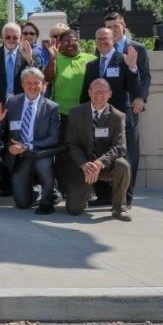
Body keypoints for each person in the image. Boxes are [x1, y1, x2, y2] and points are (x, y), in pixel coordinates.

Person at [81, 27, 140, 206]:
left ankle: (125, 199)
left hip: (119, 119)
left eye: (106, 38)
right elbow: (85, 94)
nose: (102, 42)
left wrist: (132, 67)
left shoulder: (123, 61)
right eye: (98, 39)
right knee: (98, 154)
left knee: (124, 159)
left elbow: (134, 88)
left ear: (113, 39)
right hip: (97, 118)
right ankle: (104, 196)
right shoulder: (92, 65)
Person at [64, 79, 132, 221]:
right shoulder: (75, 114)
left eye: (102, 92)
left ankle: (119, 208)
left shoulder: (117, 116)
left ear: (110, 94)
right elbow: (72, 144)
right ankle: (86, 193)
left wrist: (99, 163)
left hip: (105, 164)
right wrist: (84, 164)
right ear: (89, 93)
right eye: (95, 92)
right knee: (74, 209)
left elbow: (120, 147)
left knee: (123, 166)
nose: (98, 95)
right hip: (83, 166)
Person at [0, 67, 62, 214]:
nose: (32, 86)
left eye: (36, 83)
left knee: (44, 165)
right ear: (22, 84)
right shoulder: (12, 102)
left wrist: (27, 145)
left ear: (43, 84)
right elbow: (3, 130)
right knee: (22, 203)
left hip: (40, 153)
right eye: (28, 83)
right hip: (18, 156)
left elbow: (54, 138)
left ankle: (46, 201)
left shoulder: (52, 107)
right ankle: (45, 190)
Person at [104, 11, 151, 206]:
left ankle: (126, 198)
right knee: (107, 150)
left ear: (123, 26)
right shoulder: (104, 48)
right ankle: (108, 195)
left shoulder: (137, 47)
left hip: (129, 108)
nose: (113, 30)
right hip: (106, 109)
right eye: (110, 27)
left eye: (116, 26)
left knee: (130, 151)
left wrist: (141, 97)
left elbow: (146, 76)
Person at [0, 22, 41, 108]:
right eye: (8, 37)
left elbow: (38, 78)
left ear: (20, 38)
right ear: (2, 37)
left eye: (15, 37)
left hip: (22, 104)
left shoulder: (29, 54)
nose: (11, 40)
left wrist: (29, 60)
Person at [43, 29, 96, 123]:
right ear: (60, 43)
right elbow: (48, 78)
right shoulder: (56, 58)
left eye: (73, 40)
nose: (69, 44)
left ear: (79, 42)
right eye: (66, 41)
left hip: (86, 111)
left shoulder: (90, 59)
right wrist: (52, 60)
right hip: (61, 112)